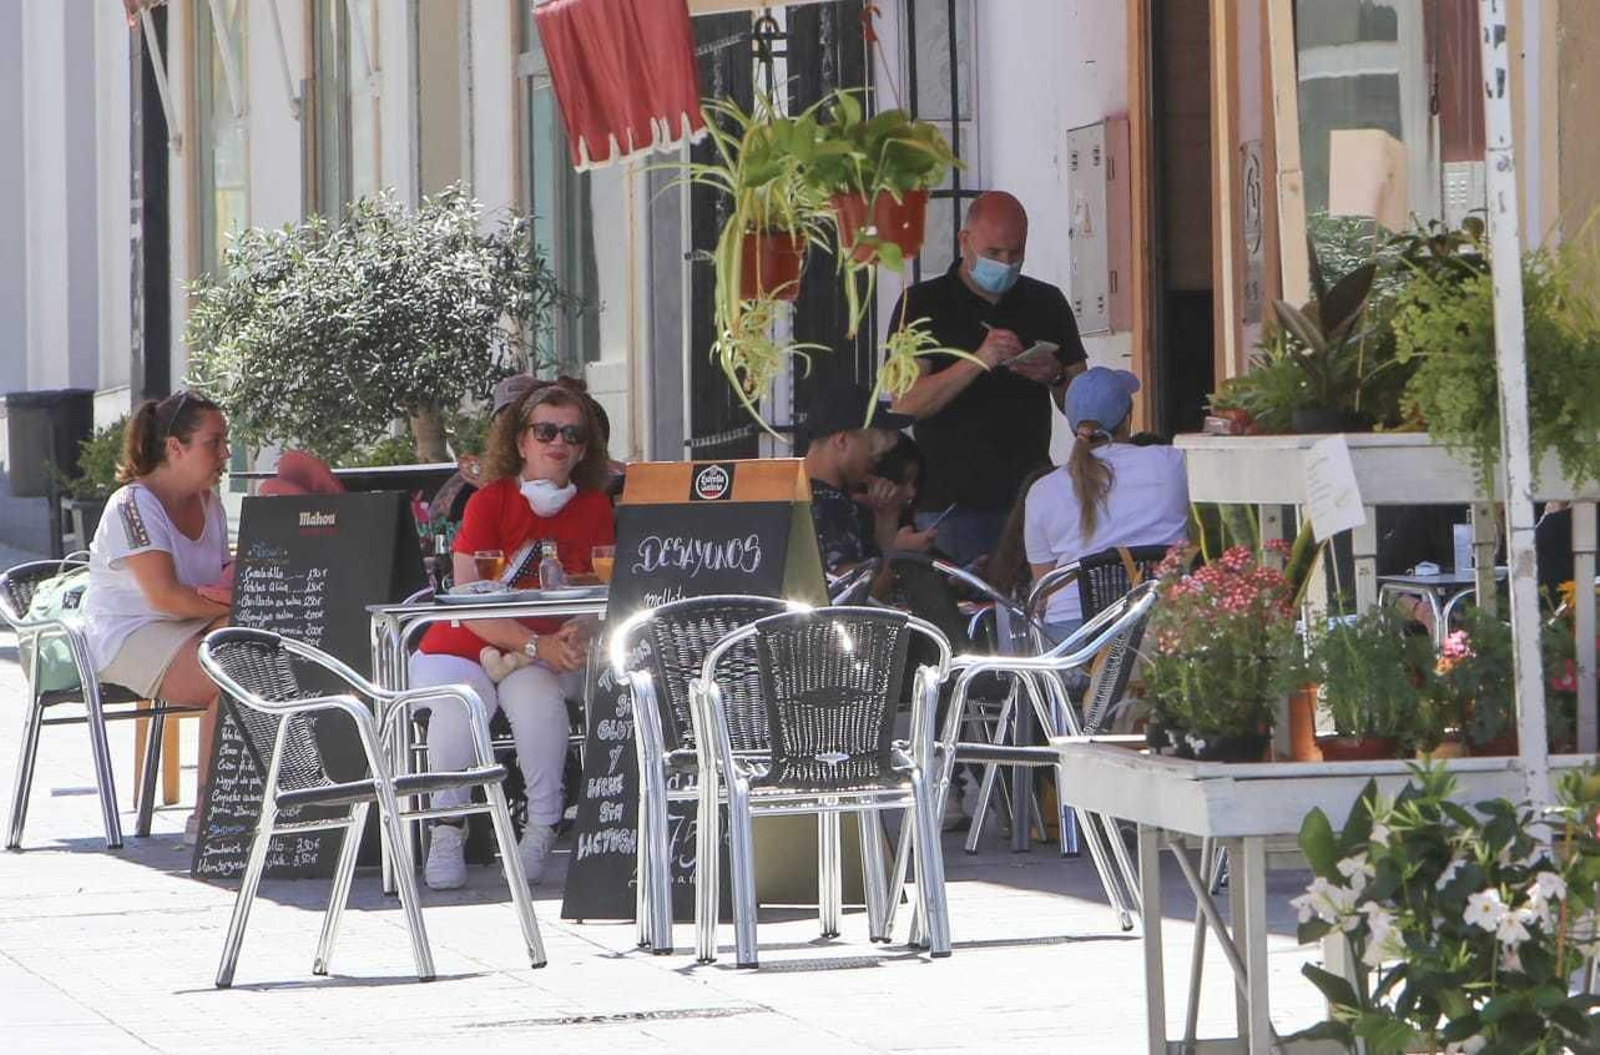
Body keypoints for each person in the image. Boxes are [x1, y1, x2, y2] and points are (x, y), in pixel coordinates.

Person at [410, 381, 615, 889]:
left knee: (538, 698)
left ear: (584, 450)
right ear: (521, 441)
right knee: (464, 699)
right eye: (545, 431)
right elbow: (467, 602)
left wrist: (581, 630)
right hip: (462, 646)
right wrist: (536, 643)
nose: (558, 442)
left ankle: (541, 827)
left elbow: (601, 594)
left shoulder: (594, 508)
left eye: (572, 434)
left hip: (539, 654)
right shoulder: (488, 501)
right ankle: (447, 827)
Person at [889, 191, 1090, 566]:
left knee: (1032, 601)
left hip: (1031, 495)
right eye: (994, 253)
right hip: (951, 503)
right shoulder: (921, 304)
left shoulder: (1046, 302)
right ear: (964, 241)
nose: (1005, 264)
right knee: (963, 601)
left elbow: (1085, 408)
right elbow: (906, 402)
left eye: (1016, 253)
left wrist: (1056, 375)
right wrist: (978, 360)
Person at [81, 391, 233, 840]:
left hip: (188, 626)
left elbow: (217, 583)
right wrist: (236, 604)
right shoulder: (132, 504)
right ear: (175, 447)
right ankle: (209, 816)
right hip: (129, 634)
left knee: (253, 648)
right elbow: (165, 597)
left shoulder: (210, 504)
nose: (225, 454)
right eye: (214, 442)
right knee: (234, 675)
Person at [1024, 368, 1189, 644]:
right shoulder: (1172, 463)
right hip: (1160, 630)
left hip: (1076, 644)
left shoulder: (1042, 492)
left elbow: (1044, 589)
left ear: (1073, 427)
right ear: (1127, 419)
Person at [802, 383, 927, 598]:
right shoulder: (829, 503)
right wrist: (901, 556)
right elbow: (855, 598)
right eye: (871, 447)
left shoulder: (791, 492)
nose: (876, 458)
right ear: (842, 441)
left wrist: (886, 515)